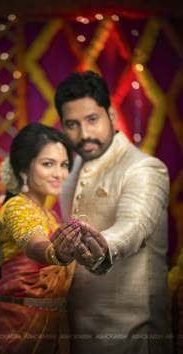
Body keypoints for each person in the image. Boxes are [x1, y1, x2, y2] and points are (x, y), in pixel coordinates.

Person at [53, 70, 171, 354]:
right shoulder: (71, 172)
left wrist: (103, 246)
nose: (84, 134)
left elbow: (134, 224)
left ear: (112, 116)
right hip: (79, 335)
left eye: (92, 119)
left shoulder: (143, 168)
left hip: (133, 336)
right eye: (72, 124)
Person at [0, 122, 81, 354]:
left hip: (55, 330)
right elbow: (34, 243)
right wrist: (55, 253)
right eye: (48, 164)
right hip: (18, 330)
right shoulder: (16, 207)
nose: (59, 173)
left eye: (64, 165)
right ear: (24, 169)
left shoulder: (51, 215)